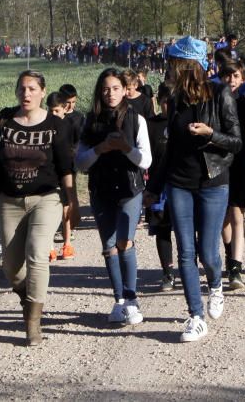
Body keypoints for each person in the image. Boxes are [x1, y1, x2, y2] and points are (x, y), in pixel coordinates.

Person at [144, 36, 241, 343]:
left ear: (186, 65)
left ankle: (215, 284)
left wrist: (211, 134)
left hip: (213, 182)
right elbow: (170, 149)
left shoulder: (220, 93)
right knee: (186, 252)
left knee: (207, 252)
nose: (168, 67)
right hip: (179, 184)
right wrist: (154, 187)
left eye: (173, 62)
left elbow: (236, 142)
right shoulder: (175, 100)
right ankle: (196, 316)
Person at [0, 70, 77, 346]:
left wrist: (72, 201)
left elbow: (66, 167)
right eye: (22, 88)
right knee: (11, 267)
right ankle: (26, 295)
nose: (26, 94)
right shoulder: (5, 119)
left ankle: (32, 323)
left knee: (36, 254)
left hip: (46, 198)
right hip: (9, 200)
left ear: (43, 92)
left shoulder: (56, 126)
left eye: (32, 89)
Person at [76, 68, 153, 324]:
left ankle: (132, 300)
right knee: (109, 247)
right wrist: (101, 148)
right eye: (106, 89)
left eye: (116, 88)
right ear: (100, 91)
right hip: (101, 189)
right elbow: (81, 163)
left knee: (124, 242)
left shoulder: (136, 119)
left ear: (125, 90)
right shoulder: (91, 121)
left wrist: (125, 148)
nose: (111, 94)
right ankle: (119, 300)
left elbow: (146, 160)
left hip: (129, 189)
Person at [219, 60, 245, 291]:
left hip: (239, 164)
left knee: (237, 211)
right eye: (227, 76)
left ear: (243, 79)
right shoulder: (213, 102)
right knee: (222, 215)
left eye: (236, 76)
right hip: (217, 164)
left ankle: (236, 266)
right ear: (220, 77)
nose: (232, 80)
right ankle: (229, 252)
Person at [146, 81, 177, 291]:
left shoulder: (185, 122)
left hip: (182, 185)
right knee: (162, 230)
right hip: (158, 186)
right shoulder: (151, 124)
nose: (168, 106)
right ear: (159, 101)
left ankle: (188, 267)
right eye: (165, 102)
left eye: (172, 102)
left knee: (186, 231)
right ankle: (167, 272)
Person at [45, 92, 73, 262]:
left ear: (65, 108)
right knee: (48, 211)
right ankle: (49, 247)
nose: (53, 114)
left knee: (65, 210)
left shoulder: (70, 125)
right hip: (50, 173)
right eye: (50, 111)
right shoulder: (45, 125)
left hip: (66, 172)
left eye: (56, 111)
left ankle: (67, 243)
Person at [59, 83, 84, 258]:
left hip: (71, 163)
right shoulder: (55, 115)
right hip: (55, 163)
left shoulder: (78, 118)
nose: (70, 106)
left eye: (73, 102)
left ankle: (68, 228)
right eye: (68, 102)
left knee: (68, 198)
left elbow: (81, 140)